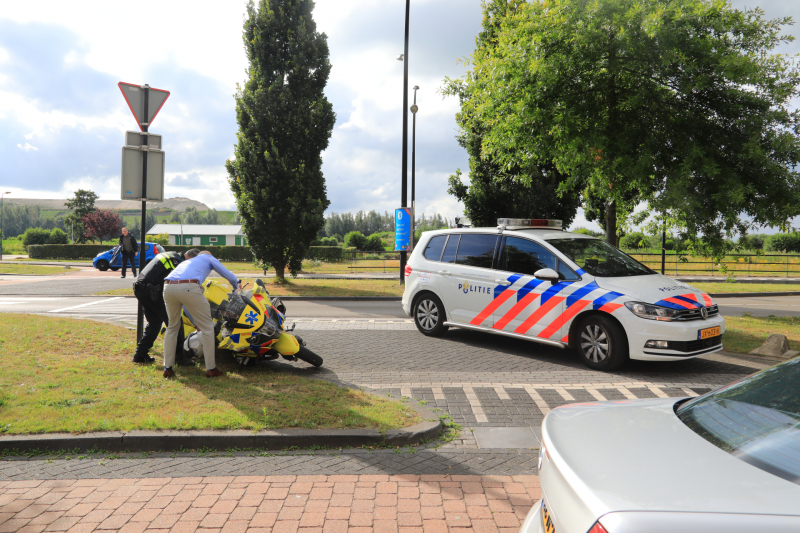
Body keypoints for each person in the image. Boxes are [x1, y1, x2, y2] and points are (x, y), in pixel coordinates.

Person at [162, 250, 241, 378]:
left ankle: (167, 368)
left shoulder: (188, 262)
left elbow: (186, 303)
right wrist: (236, 284)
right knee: (207, 328)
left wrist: (194, 321)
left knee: (172, 327)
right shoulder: (208, 257)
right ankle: (211, 368)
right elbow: (226, 273)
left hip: (168, 287)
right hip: (189, 287)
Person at [132, 248, 200, 364]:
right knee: (175, 323)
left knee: (154, 322)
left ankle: (140, 355)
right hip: (152, 292)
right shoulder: (178, 263)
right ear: (190, 258)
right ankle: (179, 358)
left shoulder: (170, 255)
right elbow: (178, 288)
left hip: (141, 288)